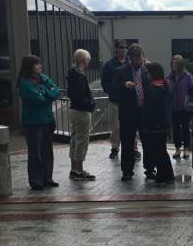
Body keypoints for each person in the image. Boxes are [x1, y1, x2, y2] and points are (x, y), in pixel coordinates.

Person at [18, 55, 61, 190]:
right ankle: (36, 179)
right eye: (37, 64)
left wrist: (46, 93)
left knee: (47, 150)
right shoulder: (25, 83)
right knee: (35, 152)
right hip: (33, 122)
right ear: (30, 66)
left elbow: (56, 91)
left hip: (47, 119)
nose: (40, 67)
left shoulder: (43, 78)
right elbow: (38, 99)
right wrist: (48, 94)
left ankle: (47, 177)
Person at [111, 44, 152, 181]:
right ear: (130, 59)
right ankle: (127, 171)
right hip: (128, 113)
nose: (138, 62)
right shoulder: (121, 71)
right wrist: (124, 85)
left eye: (140, 59)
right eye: (135, 60)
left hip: (144, 112)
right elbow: (113, 87)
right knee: (127, 142)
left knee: (147, 141)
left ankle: (150, 169)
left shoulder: (147, 70)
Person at [141, 62, 175, 184]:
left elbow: (149, 109)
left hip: (154, 125)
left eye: (148, 72)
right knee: (162, 149)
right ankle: (167, 174)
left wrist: (145, 124)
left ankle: (163, 175)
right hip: (165, 123)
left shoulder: (151, 88)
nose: (147, 75)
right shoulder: (167, 85)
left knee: (158, 151)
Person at [67, 49, 96, 181]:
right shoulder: (80, 75)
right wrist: (90, 104)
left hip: (74, 110)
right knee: (82, 140)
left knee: (74, 139)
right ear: (84, 60)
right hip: (82, 111)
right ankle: (79, 170)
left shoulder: (72, 73)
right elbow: (80, 96)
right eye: (88, 60)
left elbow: (72, 94)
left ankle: (74, 169)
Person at [101, 39, 128, 159]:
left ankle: (133, 147)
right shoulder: (109, 65)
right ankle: (115, 147)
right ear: (116, 49)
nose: (123, 49)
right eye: (121, 47)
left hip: (128, 102)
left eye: (125, 47)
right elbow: (104, 82)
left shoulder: (130, 63)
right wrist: (111, 92)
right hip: (115, 101)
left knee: (130, 126)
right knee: (115, 126)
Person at [168, 55, 193, 160]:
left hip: (185, 107)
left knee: (186, 129)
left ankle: (186, 148)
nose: (174, 65)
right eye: (173, 63)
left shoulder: (187, 77)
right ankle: (177, 148)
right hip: (173, 107)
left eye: (176, 63)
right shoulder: (169, 77)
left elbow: (191, 91)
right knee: (176, 129)